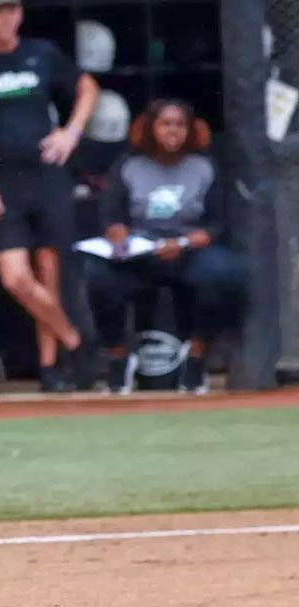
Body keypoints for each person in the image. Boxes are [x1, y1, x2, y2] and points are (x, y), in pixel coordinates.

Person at [0, 0, 100, 391]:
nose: (6, 19)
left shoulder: (42, 53)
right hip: (3, 178)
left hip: (47, 174)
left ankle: (50, 367)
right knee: (15, 277)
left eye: (12, 10)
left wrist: (71, 133)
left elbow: (87, 88)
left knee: (49, 270)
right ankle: (76, 341)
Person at [88, 99, 248, 394]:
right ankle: (119, 358)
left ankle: (196, 356)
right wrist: (120, 237)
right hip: (142, 253)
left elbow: (216, 224)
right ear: (151, 127)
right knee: (98, 275)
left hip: (188, 251)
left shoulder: (204, 165)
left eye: (180, 125)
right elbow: (113, 217)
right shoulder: (129, 164)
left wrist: (183, 242)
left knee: (225, 273)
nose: (173, 131)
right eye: (165, 124)